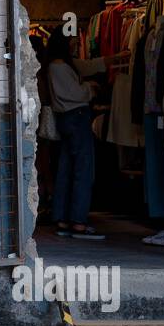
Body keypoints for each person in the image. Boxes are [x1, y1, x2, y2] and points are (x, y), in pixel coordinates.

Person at [44, 29, 119, 241]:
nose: (76, 44)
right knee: (83, 170)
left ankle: (63, 218)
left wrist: (114, 58)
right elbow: (74, 93)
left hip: (67, 121)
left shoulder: (59, 64)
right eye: (73, 41)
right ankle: (78, 221)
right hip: (76, 117)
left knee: (66, 169)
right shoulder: (59, 66)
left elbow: (87, 66)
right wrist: (90, 88)